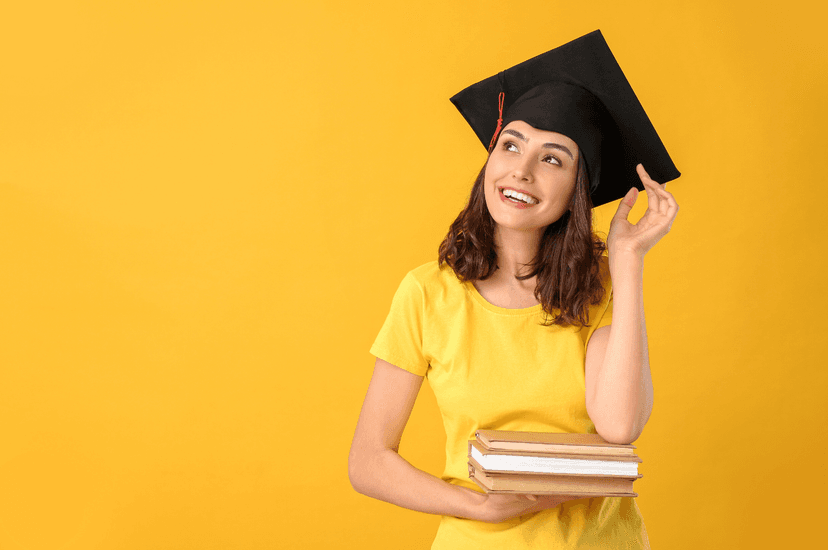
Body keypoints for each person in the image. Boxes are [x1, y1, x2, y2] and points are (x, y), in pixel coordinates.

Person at [348, 30, 680, 549]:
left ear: (578, 189)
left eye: (552, 159)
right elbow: (368, 461)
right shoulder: (428, 294)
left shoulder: (601, 285)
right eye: (511, 145)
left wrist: (628, 260)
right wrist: (478, 506)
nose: (520, 171)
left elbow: (619, 426)